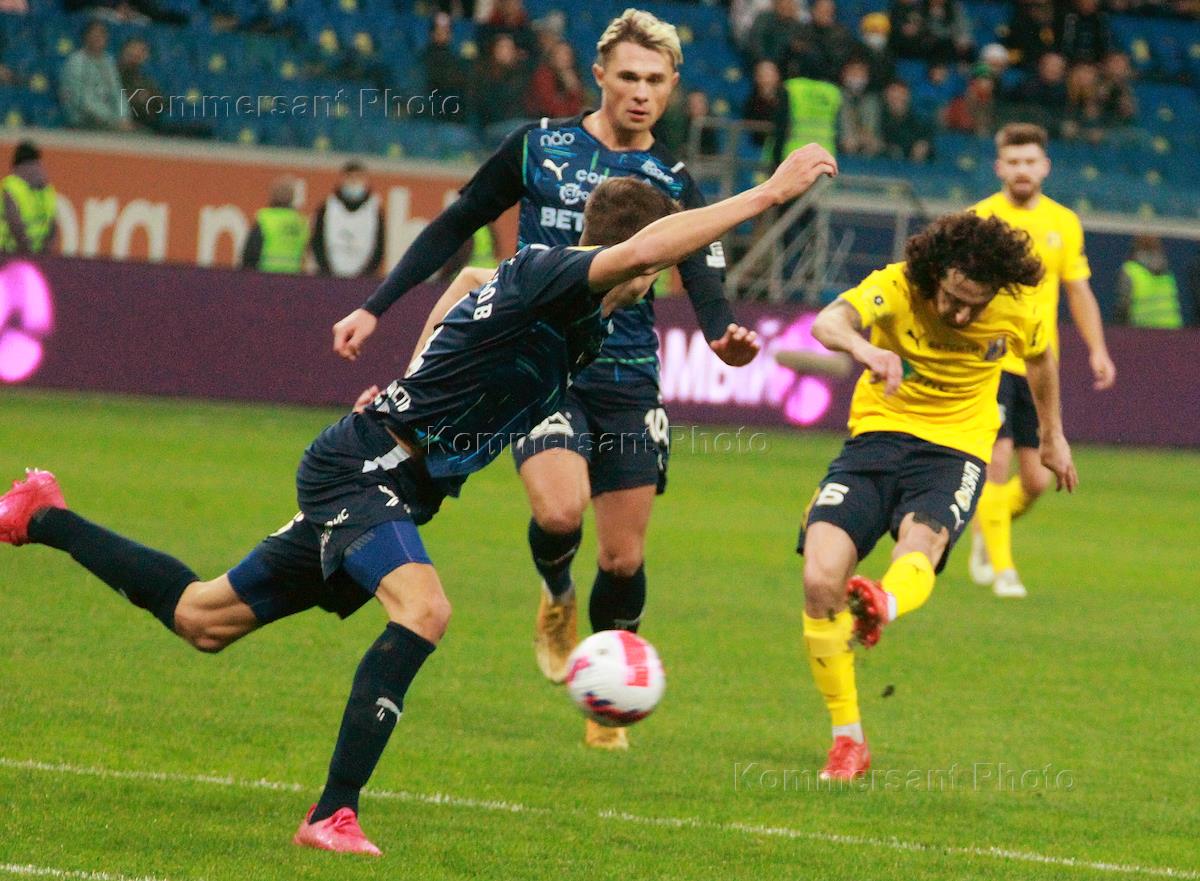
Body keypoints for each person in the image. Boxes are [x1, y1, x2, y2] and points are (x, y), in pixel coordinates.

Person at [0, 147, 836, 854]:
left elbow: (470, 275)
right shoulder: (558, 277)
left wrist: (412, 378)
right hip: (363, 469)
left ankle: (40, 514)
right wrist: (768, 192)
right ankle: (332, 812)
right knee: (425, 609)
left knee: (202, 618)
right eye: (658, 263)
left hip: (392, 475)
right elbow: (614, 251)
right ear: (644, 264)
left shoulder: (565, 309)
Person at [329, 10, 763, 751]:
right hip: (541, 364)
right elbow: (457, 223)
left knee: (623, 557)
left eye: (656, 81)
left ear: (672, 87)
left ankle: (607, 694)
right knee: (560, 512)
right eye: (628, 77)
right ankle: (558, 592)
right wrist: (376, 305)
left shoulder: (674, 180)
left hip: (627, 375)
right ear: (599, 75)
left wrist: (723, 334)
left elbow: (702, 274)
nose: (641, 93)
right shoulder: (539, 147)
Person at [799, 210, 1076, 780]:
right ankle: (848, 740)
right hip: (875, 441)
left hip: (954, 452)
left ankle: (883, 604)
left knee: (921, 542)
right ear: (936, 273)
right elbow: (828, 322)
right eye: (952, 298)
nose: (961, 314)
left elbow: (1042, 358)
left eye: (975, 304)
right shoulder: (898, 285)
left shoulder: (1018, 308)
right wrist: (865, 350)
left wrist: (1052, 436)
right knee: (820, 580)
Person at [967, 123, 1115, 599]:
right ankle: (1004, 570)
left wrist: (1097, 348)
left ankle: (986, 529)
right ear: (999, 167)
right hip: (988, 360)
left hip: (1036, 364)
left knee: (1035, 480)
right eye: (1014, 162)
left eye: (1030, 161)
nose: (1022, 170)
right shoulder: (979, 220)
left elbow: (1078, 290)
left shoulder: (1063, 222)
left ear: (1045, 167)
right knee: (996, 458)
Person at [312, 161, 385, 279]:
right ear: (342, 179)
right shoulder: (327, 207)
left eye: (358, 178)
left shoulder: (375, 210)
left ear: (365, 180)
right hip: (329, 277)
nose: (354, 182)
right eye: (350, 177)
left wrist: (366, 275)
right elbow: (317, 242)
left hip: (363, 279)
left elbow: (379, 247)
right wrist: (326, 272)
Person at [59, 20, 132, 131]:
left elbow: (117, 92)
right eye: (95, 34)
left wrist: (124, 117)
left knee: (145, 135)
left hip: (111, 121)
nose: (99, 38)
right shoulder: (76, 62)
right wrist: (113, 120)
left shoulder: (108, 61)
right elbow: (83, 101)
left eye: (102, 34)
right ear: (86, 37)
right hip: (84, 120)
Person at [241, 176, 309, 274]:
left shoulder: (265, 218)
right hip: (293, 276)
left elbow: (251, 252)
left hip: (266, 275)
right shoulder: (300, 221)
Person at [0, 140, 57, 255]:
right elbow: (52, 226)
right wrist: (44, 253)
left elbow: (15, 224)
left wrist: (28, 252)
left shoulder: (11, 186)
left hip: (9, 252)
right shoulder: (46, 188)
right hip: (40, 253)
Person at [1114, 235, 1183, 328]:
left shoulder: (1130, 270)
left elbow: (1123, 306)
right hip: (1172, 329)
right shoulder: (1167, 272)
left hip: (1143, 329)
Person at [879, 79, 933, 161]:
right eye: (893, 97)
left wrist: (923, 145)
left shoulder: (920, 121)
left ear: (908, 97)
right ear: (886, 97)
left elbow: (926, 142)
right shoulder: (878, 118)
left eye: (901, 96)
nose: (897, 100)